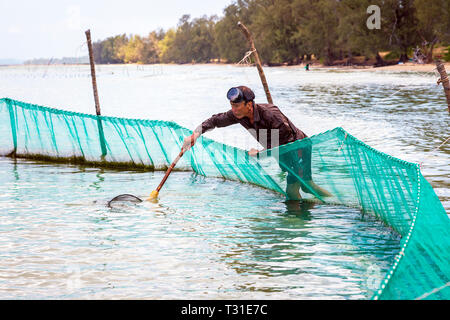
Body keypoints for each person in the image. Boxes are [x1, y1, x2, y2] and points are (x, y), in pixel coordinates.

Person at [182, 86, 331, 200]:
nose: (233, 110)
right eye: (232, 106)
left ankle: (300, 226)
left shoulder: (271, 115)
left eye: (237, 106)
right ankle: (329, 202)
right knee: (307, 186)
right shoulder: (239, 114)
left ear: (249, 104)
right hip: (281, 151)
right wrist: (195, 135)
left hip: (298, 148)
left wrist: (260, 154)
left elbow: (284, 144)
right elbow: (215, 120)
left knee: (291, 193)